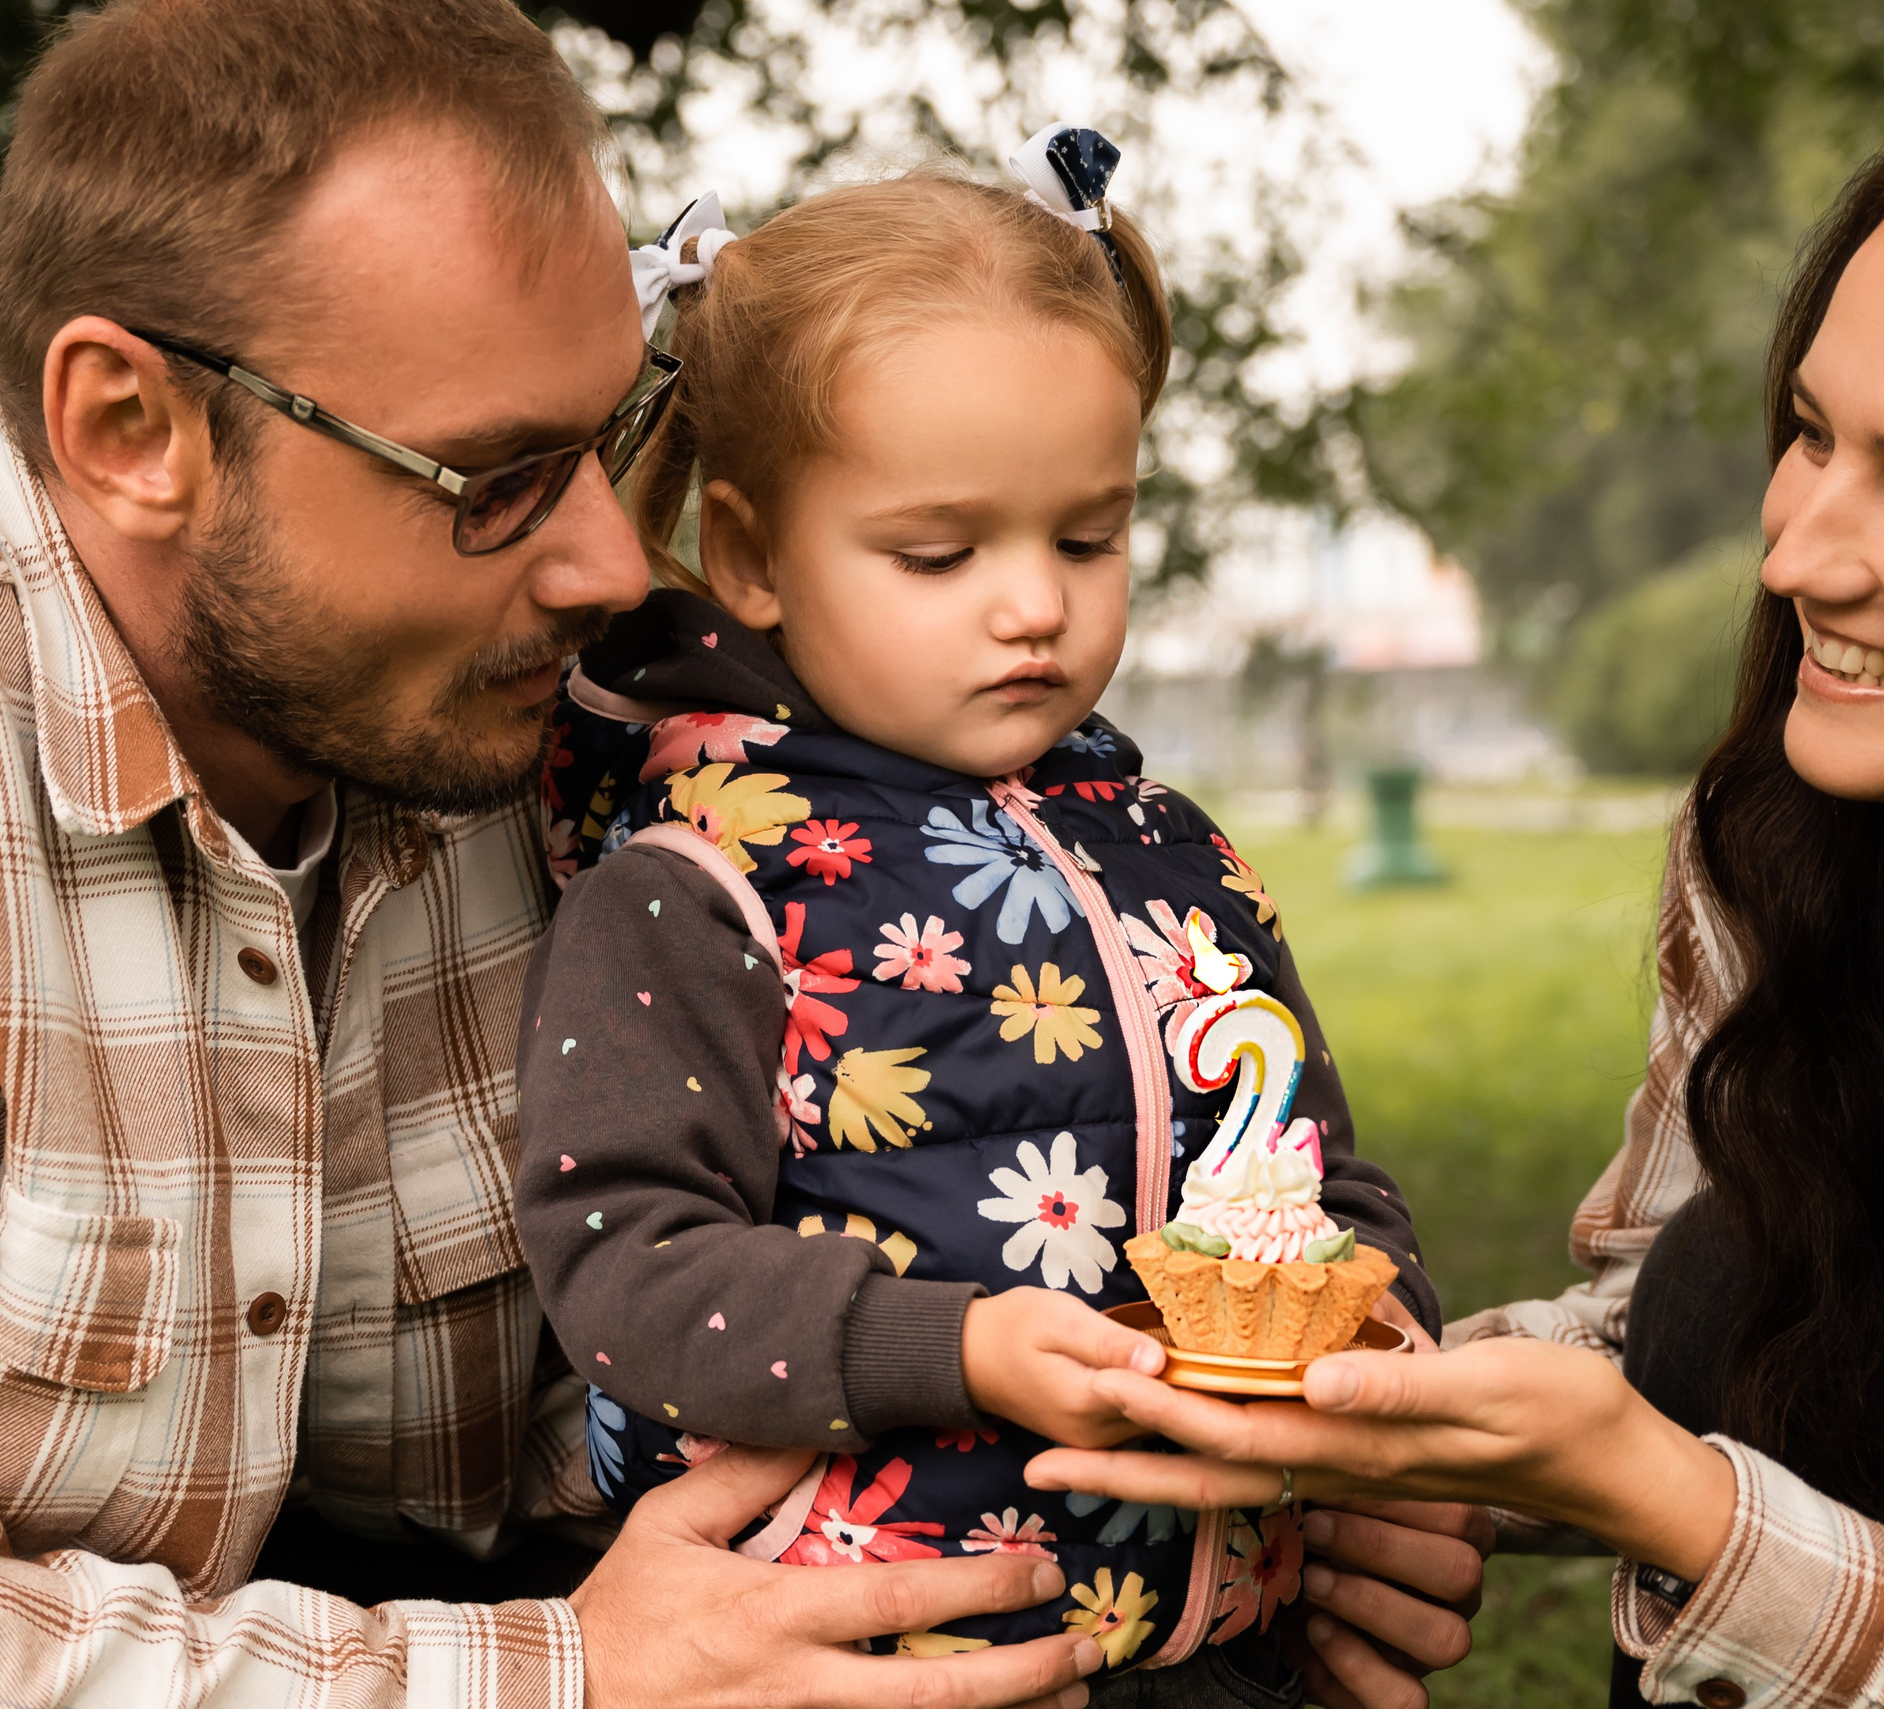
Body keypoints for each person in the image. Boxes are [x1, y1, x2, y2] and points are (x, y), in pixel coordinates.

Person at [0, 2, 1107, 1704]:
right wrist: (561, 1676)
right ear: (132, 431)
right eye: (494, 478)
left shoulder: (582, 728)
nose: (605, 564)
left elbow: (820, 1269)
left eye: (611, 434)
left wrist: (1255, 1489)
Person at [1025, 90, 1884, 1709]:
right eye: (1809, 432)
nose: (1794, 553)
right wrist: (1360, 1410)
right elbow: (1673, 1321)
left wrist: (1684, 1506)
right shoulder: (1796, 849)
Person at [516, 138, 1443, 1706]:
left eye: (1089, 536)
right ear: (751, 554)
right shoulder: (699, 888)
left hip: (1227, 1645)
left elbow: (1310, 1160)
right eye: (940, 553)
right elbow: (627, 1261)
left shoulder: (1175, 854)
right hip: (869, 1658)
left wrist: (1382, 1327)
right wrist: (949, 1346)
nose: (1035, 604)